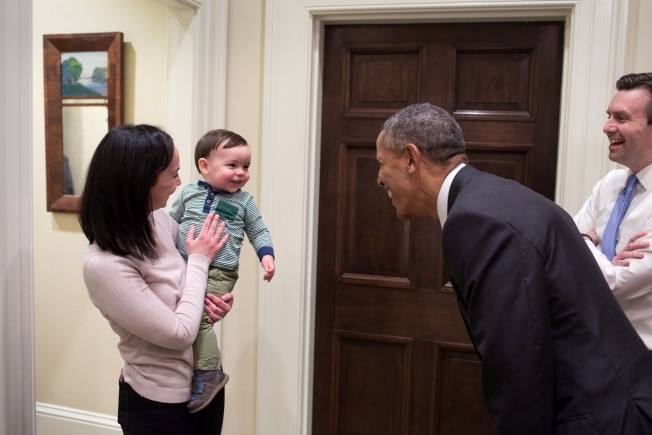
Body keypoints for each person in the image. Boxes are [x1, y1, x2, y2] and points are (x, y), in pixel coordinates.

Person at [375, 102, 652, 434]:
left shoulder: (474, 219)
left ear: (410, 158)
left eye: (381, 163)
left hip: (599, 417)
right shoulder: (492, 196)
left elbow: (519, 363)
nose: (378, 178)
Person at [79, 124, 235, 435]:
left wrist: (212, 302)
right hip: (159, 406)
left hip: (206, 386)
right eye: (173, 174)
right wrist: (201, 261)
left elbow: (188, 290)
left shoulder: (159, 221)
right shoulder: (104, 265)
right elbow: (179, 333)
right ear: (140, 182)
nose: (180, 182)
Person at [169, 129, 275, 413]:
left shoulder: (244, 202)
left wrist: (266, 255)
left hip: (219, 270)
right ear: (205, 166)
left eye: (246, 166)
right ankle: (191, 369)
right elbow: (168, 222)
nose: (241, 173)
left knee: (200, 319)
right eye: (232, 165)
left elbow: (258, 230)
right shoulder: (189, 192)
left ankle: (207, 373)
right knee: (182, 313)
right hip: (186, 266)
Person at [574, 72, 652, 350]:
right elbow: (562, 258)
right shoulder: (609, 185)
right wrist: (601, 258)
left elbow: (614, 284)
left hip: (642, 360)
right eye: (609, 116)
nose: (607, 127)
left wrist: (584, 241)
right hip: (592, 350)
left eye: (621, 118)